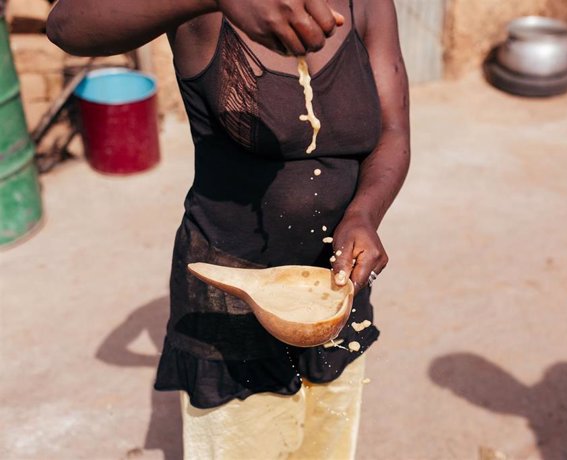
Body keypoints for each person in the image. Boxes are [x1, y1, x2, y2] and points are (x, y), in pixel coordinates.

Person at [47, 0, 410, 458]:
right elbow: (67, 26)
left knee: (326, 443)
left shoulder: (368, 5)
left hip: (333, 288)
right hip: (230, 292)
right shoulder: (205, 13)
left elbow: (394, 128)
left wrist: (364, 214)